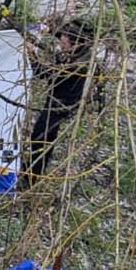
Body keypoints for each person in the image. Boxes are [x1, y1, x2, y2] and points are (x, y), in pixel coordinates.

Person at [23, 20, 96, 183]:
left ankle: (32, 175)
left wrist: (32, 55)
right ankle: (32, 170)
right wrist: (47, 30)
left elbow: (45, 73)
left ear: (75, 44)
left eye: (64, 45)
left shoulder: (77, 65)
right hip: (59, 99)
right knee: (45, 136)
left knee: (41, 136)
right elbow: (64, 35)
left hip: (61, 104)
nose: (61, 47)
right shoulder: (82, 49)